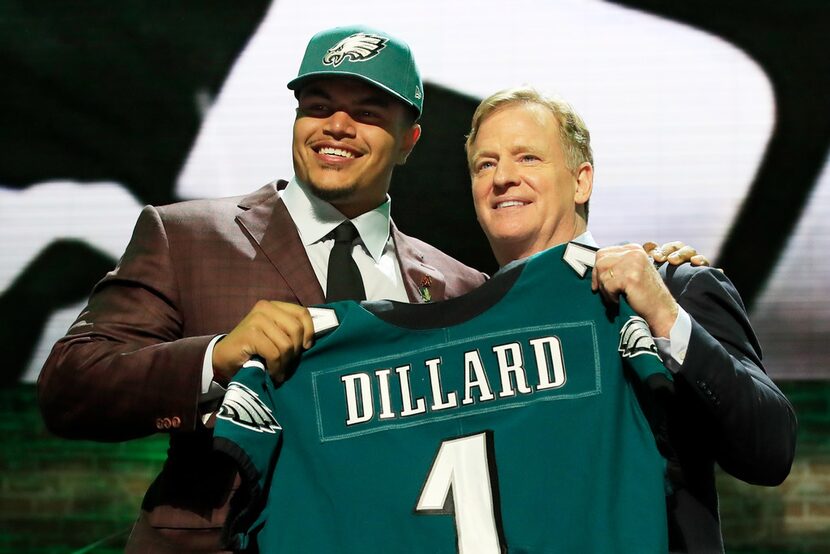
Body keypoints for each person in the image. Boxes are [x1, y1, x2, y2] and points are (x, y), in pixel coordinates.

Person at [37, 26, 489, 553]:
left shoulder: (459, 286)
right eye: (318, 107)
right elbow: (70, 389)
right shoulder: (186, 237)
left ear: (409, 141)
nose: (337, 127)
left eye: (366, 113)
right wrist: (215, 359)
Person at [464, 86, 797, 553]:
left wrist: (664, 316)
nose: (502, 178)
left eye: (528, 158)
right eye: (486, 163)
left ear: (581, 181)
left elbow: (771, 451)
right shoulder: (468, 335)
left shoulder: (674, 287)